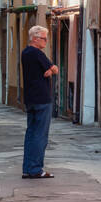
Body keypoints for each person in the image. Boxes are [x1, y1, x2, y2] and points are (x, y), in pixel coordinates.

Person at [20, 25, 59, 178]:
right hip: (42, 98)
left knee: (31, 133)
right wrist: (51, 70)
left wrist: (48, 71)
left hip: (30, 98)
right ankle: (36, 169)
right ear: (35, 39)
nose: (46, 41)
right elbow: (53, 68)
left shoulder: (25, 53)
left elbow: (47, 70)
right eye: (44, 38)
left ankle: (28, 168)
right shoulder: (37, 53)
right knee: (40, 135)